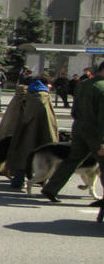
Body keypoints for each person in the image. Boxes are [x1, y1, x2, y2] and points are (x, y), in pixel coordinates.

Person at [41, 61, 104, 202]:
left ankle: (51, 188)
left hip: (79, 127)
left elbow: (74, 110)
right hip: (96, 131)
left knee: (73, 160)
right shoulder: (102, 87)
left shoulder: (84, 84)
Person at [6, 75, 58, 189]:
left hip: (25, 132)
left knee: (23, 155)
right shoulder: (45, 97)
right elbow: (49, 120)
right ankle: (42, 181)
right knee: (43, 157)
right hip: (42, 133)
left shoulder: (27, 96)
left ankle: (18, 181)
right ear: (46, 84)